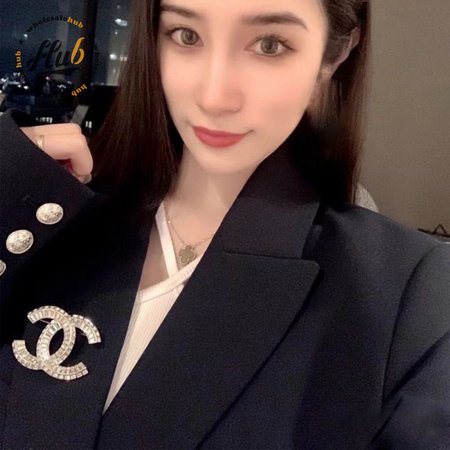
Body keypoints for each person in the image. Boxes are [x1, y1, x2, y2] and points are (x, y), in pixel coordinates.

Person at [1, 0, 449, 448]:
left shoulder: (406, 299)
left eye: (270, 45)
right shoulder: (48, 215)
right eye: (187, 36)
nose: (214, 97)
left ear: (334, 55)